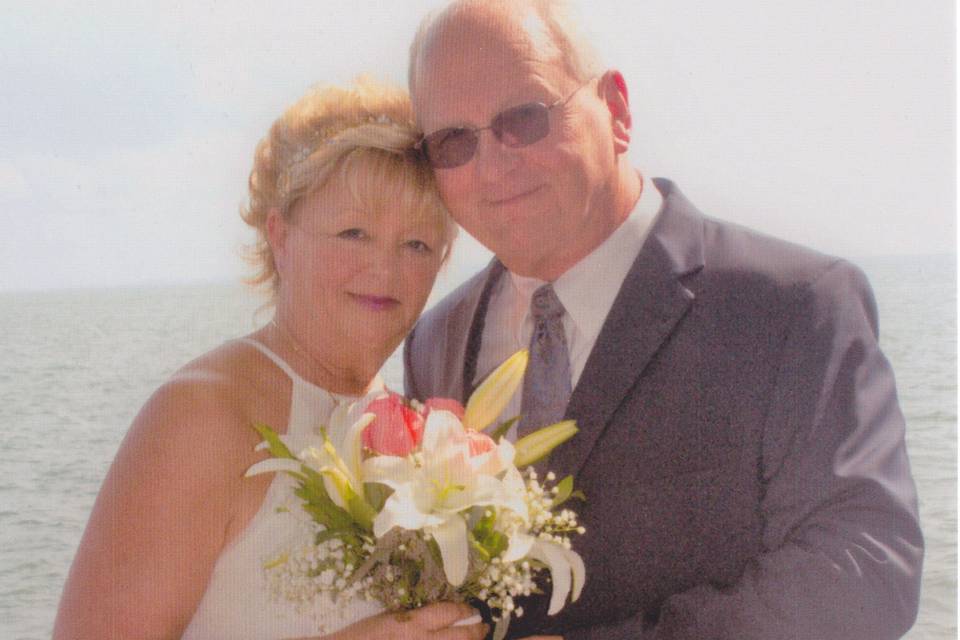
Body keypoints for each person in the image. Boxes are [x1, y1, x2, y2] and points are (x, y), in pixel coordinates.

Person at [402, 1, 924, 638]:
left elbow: (866, 570)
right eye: (453, 142)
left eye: (523, 119)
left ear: (616, 111)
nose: (491, 164)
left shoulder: (794, 307)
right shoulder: (436, 339)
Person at [53, 78, 489, 640]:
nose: (386, 268)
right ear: (280, 235)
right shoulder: (201, 418)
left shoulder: (415, 429)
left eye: (417, 245)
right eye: (354, 233)